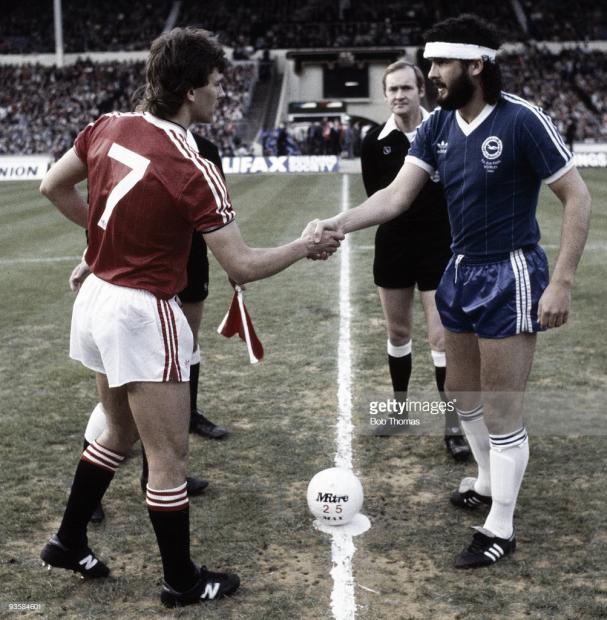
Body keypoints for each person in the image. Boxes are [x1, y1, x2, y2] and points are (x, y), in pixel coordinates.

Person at [39, 27, 341, 607]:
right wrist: (306, 244)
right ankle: (181, 580)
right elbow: (244, 265)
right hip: (142, 311)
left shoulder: (108, 125)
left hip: (98, 297)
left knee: (119, 429)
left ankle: (68, 538)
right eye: (216, 82)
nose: (221, 93)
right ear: (190, 90)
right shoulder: (190, 163)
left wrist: (106, 237)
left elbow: (54, 185)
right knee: (169, 455)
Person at [307, 14, 591, 568]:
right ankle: (486, 482)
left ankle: (501, 527)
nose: (432, 74)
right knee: (462, 393)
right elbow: (394, 198)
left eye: (440, 64)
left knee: (503, 408)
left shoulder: (522, 120)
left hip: (509, 273)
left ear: (476, 66)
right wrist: (336, 223)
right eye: (431, 63)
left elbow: (576, 198)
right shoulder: (437, 126)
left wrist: (561, 282)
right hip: (457, 271)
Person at [71, 133, 228, 525]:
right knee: (130, 382)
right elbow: (114, 211)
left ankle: (156, 474)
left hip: (189, 266)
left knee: (183, 357)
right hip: (142, 279)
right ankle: (106, 478)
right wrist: (93, 256)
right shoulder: (134, 138)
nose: (220, 92)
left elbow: (217, 221)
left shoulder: (205, 150)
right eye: (213, 83)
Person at [360, 60, 470, 460]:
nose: (400, 96)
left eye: (407, 88)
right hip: (393, 247)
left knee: (442, 339)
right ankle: (401, 407)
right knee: (398, 334)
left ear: (421, 90)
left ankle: (452, 426)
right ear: (385, 95)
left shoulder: (444, 128)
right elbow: (379, 199)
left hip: (440, 248)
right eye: (393, 90)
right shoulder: (374, 142)